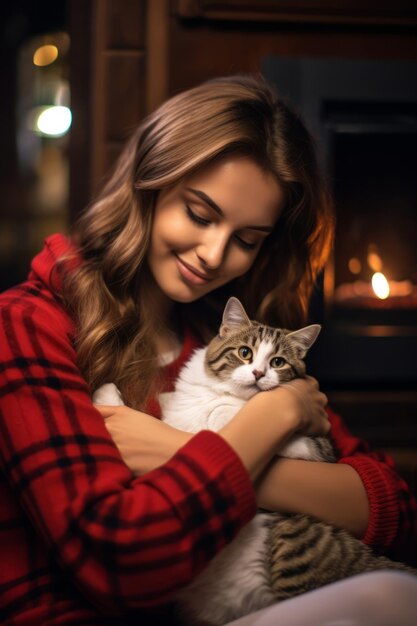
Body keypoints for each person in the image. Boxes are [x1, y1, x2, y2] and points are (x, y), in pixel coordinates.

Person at [0, 75, 416, 626]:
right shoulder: (26, 322)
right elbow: (123, 561)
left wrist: (180, 445)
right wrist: (272, 421)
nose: (214, 254)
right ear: (149, 184)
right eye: (199, 214)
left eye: (247, 239)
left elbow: (394, 507)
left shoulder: (219, 338)